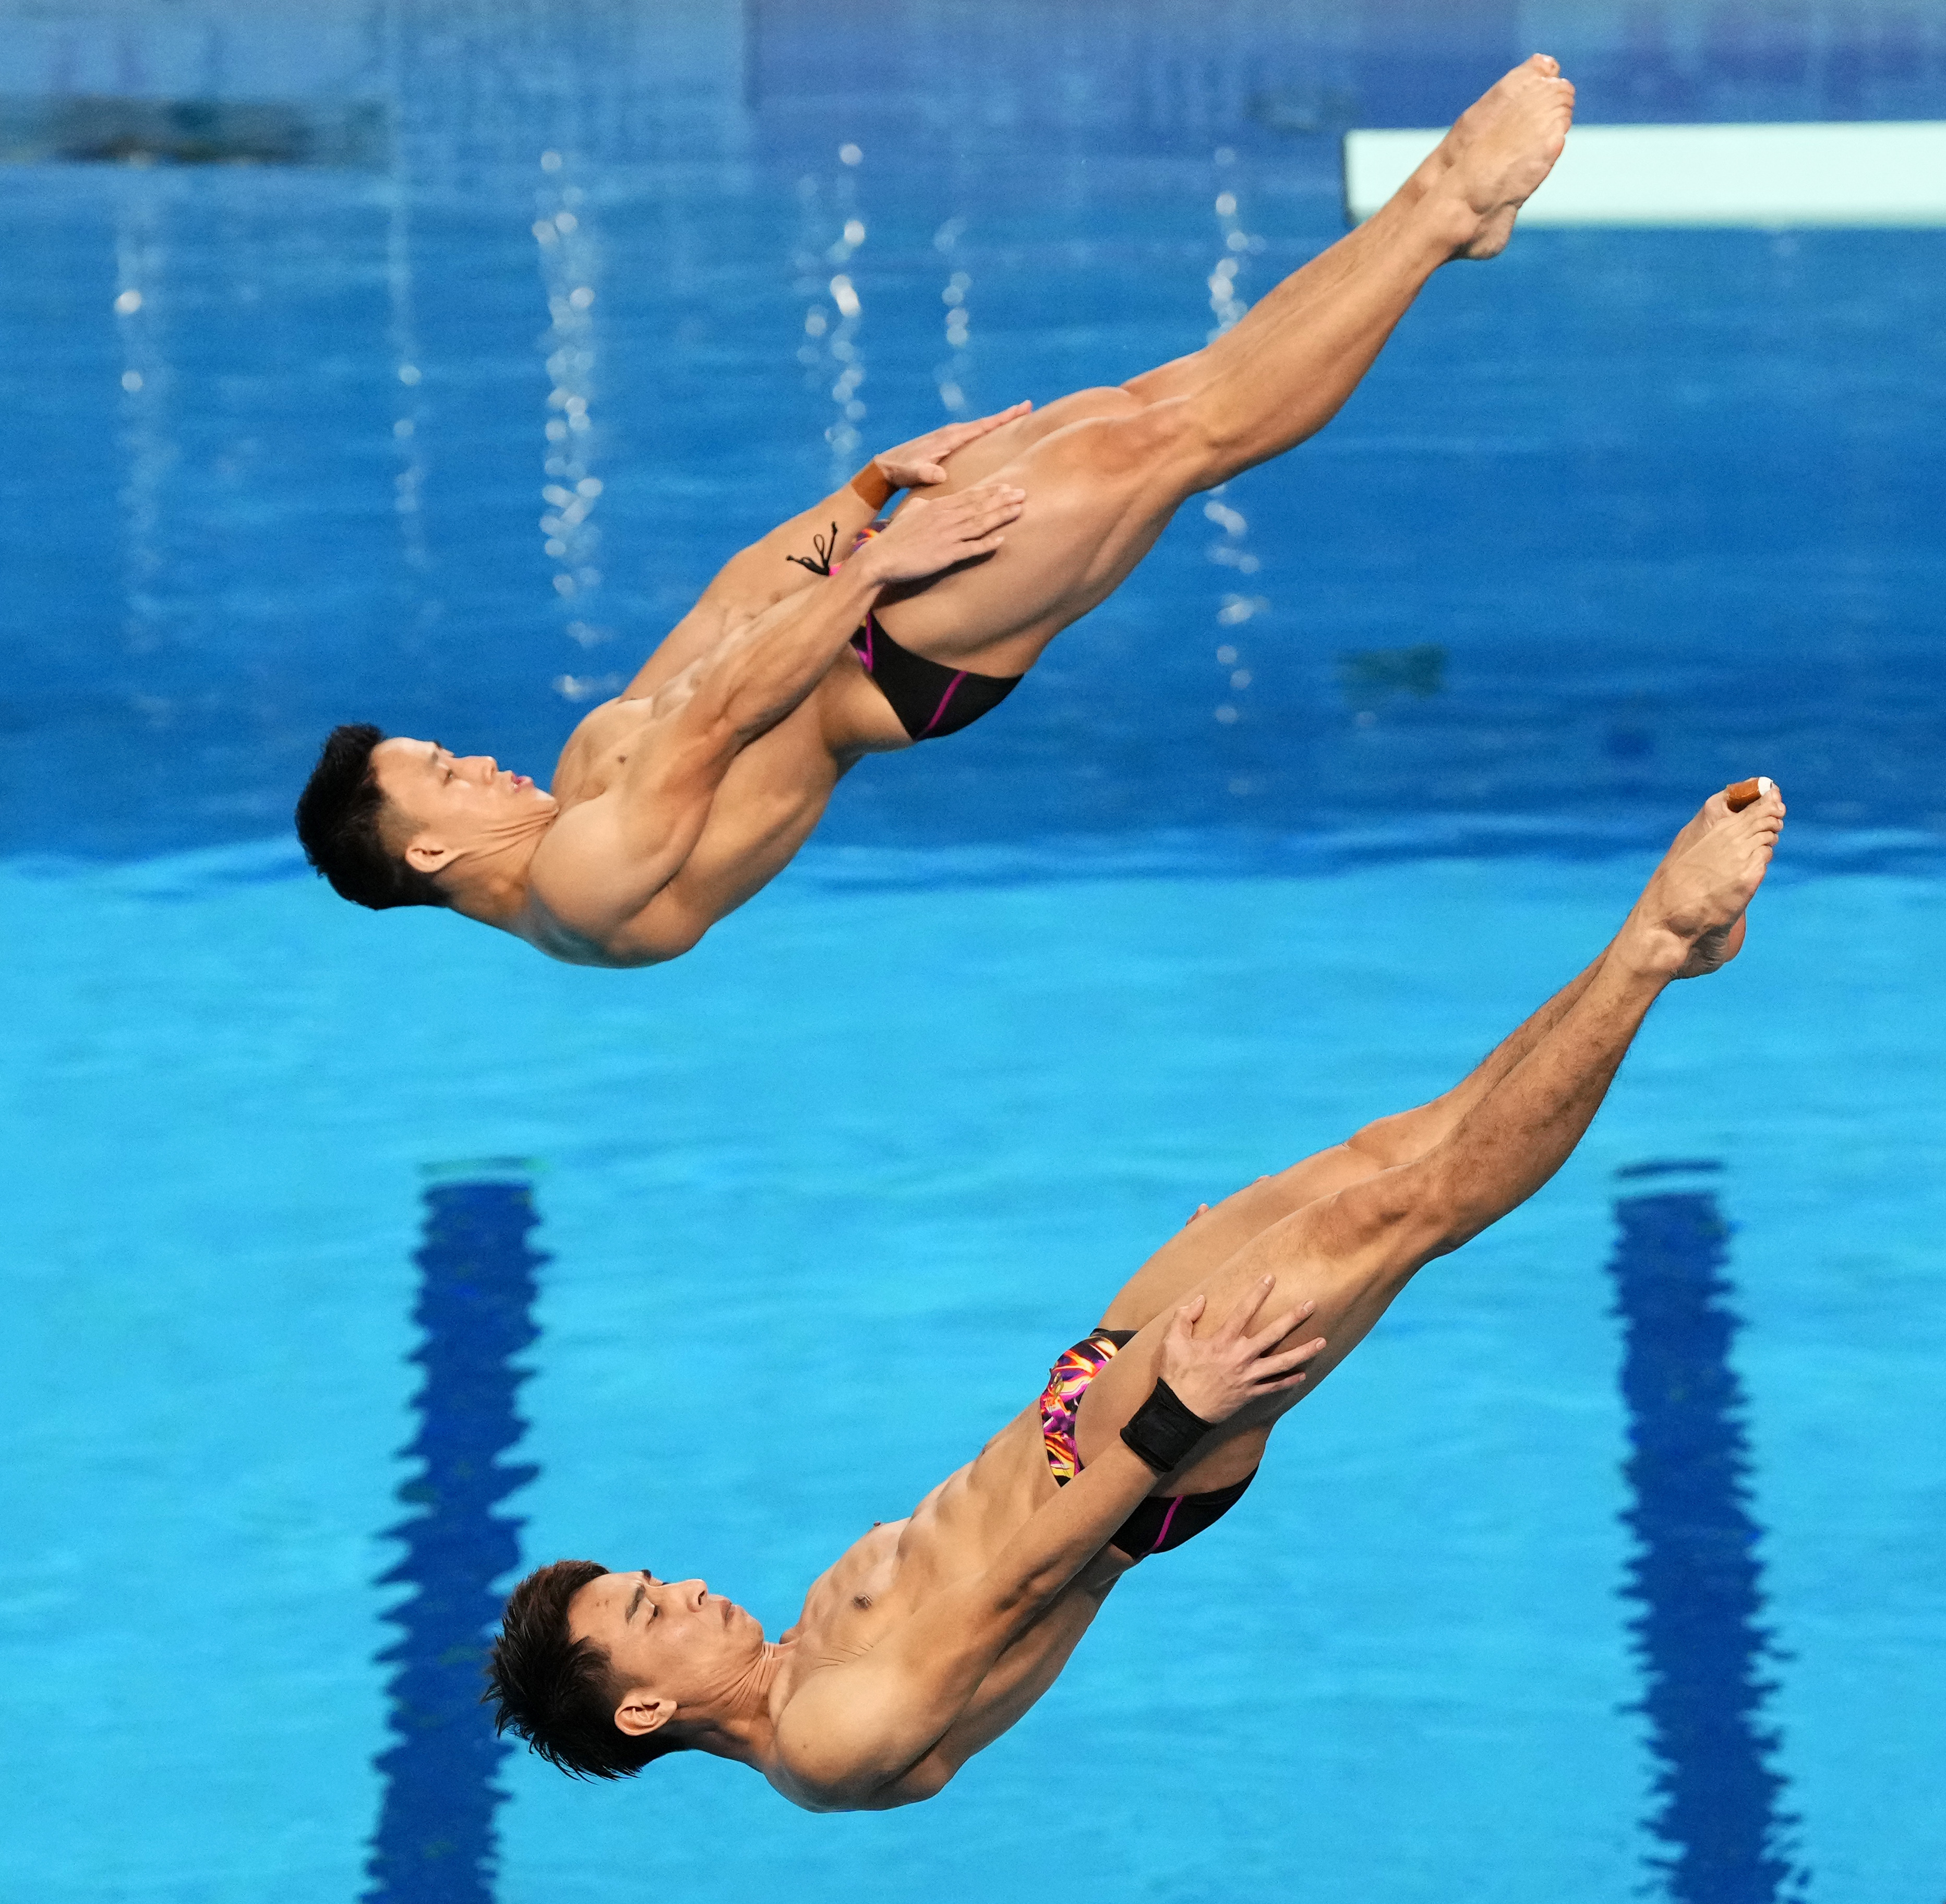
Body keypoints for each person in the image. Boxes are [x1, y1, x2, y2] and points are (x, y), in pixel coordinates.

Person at [481, 777, 1786, 1810]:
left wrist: (1120, 1367)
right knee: (1407, 1213)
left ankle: (1668, 958)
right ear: (641, 1708)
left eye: (651, 1578)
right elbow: (1015, 1587)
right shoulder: (825, 1746)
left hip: (1086, 1401)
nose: (684, 1586)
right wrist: (1180, 1410)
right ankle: (1653, 941)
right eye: (651, 1612)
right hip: (1142, 1457)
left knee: (1383, 1154)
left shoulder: (802, 1646)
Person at [294, 57, 1577, 966]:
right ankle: (1442, 206)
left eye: (445, 750)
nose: (475, 760)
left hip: (866, 594)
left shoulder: (580, 769)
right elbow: (731, 715)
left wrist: (863, 492)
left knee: (1143, 403)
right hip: (900, 659)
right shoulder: (580, 893)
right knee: (1178, 444)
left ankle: (1447, 227)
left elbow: (729, 612)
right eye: (445, 777)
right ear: (425, 856)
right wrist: (874, 569)